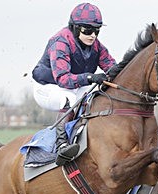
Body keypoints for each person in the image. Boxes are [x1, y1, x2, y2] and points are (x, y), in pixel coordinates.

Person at [31, 3, 117, 165]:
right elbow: (63, 79)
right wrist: (91, 77)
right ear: (75, 28)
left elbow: (113, 67)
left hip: (74, 86)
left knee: (99, 96)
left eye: (96, 30)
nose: (93, 35)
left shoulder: (96, 45)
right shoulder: (60, 42)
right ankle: (62, 144)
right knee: (68, 98)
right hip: (47, 88)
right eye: (87, 30)